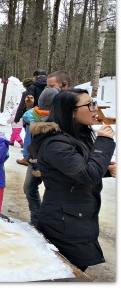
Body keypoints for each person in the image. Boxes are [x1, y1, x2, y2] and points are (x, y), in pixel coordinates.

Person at [28, 89, 116, 271]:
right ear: (71, 112)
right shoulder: (55, 143)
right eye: (89, 105)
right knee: (66, 273)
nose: (95, 109)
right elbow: (87, 174)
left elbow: (74, 171)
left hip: (77, 218)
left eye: (94, 103)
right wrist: (104, 143)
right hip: (64, 223)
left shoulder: (76, 135)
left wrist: (104, 169)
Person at [22, 87, 60, 225]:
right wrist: (30, 107)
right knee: (29, 188)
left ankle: (47, 223)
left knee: (52, 193)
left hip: (52, 160)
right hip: (35, 157)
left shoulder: (63, 116)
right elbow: (26, 116)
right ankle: (37, 220)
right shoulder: (34, 115)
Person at [14, 69, 48, 165]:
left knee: (29, 136)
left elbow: (27, 101)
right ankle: (38, 156)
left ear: (36, 77)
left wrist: (21, 115)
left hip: (34, 114)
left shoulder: (33, 87)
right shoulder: (49, 86)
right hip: (46, 115)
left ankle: (27, 157)